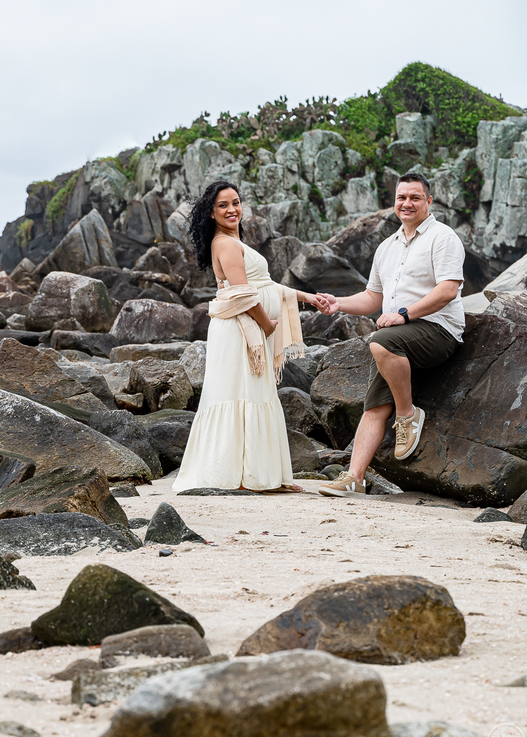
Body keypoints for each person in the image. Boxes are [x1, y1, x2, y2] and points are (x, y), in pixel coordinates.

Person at [316, 173, 465, 498]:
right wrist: (338, 303)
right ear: (394, 202)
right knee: (373, 406)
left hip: (438, 331)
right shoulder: (387, 247)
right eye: (401, 198)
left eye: (415, 197)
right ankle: (354, 477)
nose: (407, 203)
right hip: (397, 338)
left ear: (428, 201)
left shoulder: (443, 237)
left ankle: (408, 415)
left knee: (380, 341)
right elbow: (372, 298)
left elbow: (448, 291)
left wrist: (403, 315)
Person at [172, 180, 326, 492]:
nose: (232, 210)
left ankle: (262, 475)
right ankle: (241, 476)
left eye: (236, 203)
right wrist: (268, 326)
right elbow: (242, 294)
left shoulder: (233, 241)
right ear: (212, 213)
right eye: (223, 205)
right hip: (240, 331)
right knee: (240, 394)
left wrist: (306, 298)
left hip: (249, 329)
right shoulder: (226, 244)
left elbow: (265, 286)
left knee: (254, 394)